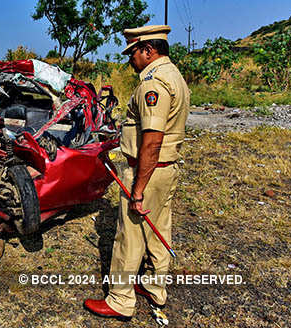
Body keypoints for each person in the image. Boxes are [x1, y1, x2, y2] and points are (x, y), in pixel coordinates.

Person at [83, 25, 190, 321]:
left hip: (147, 171)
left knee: (129, 234)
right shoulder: (175, 77)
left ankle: (120, 300)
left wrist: (138, 190)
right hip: (165, 171)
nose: (130, 59)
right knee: (159, 228)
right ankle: (155, 286)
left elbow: (152, 141)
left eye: (133, 52)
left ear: (148, 50)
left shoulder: (152, 84)